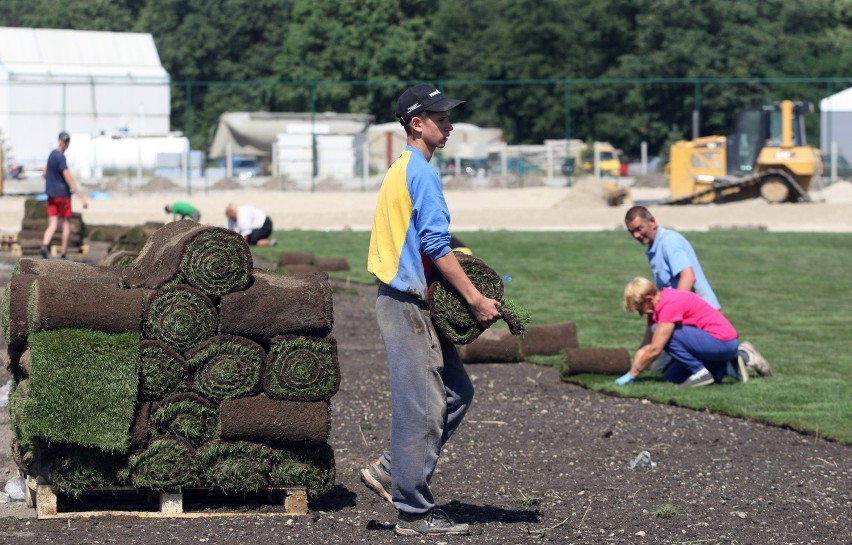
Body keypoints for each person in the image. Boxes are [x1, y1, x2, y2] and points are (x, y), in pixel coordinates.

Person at [360, 84, 501, 537]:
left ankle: (390, 469)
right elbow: (437, 245)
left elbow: (432, 243)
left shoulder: (405, 168)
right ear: (416, 124)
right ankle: (413, 513)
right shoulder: (418, 171)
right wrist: (476, 300)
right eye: (441, 118)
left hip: (409, 301)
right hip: (405, 304)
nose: (450, 125)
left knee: (457, 391)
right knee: (420, 408)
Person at [623, 206, 772, 377]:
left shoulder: (669, 242)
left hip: (697, 315)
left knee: (663, 353)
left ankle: (741, 355)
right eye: (631, 232)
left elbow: (688, 276)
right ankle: (726, 364)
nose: (636, 235)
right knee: (660, 368)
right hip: (683, 315)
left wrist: (672, 311)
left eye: (639, 229)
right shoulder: (654, 247)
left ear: (652, 222)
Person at [617, 277, 747, 387]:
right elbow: (646, 346)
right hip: (713, 344)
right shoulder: (654, 311)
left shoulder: (669, 303)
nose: (641, 314)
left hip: (723, 341)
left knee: (663, 333)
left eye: (640, 309)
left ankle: (701, 372)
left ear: (649, 299)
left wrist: (632, 374)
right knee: (672, 377)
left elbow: (655, 348)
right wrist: (633, 369)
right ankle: (726, 366)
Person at [40, 131, 88, 259]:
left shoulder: (51, 155)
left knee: (53, 224)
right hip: (62, 195)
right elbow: (68, 177)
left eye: (68, 141)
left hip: (51, 195)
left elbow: (45, 174)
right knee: (66, 224)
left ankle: (45, 246)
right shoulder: (61, 157)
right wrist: (81, 196)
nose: (66, 143)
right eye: (65, 141)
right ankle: (63, 253)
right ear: (59, 141)